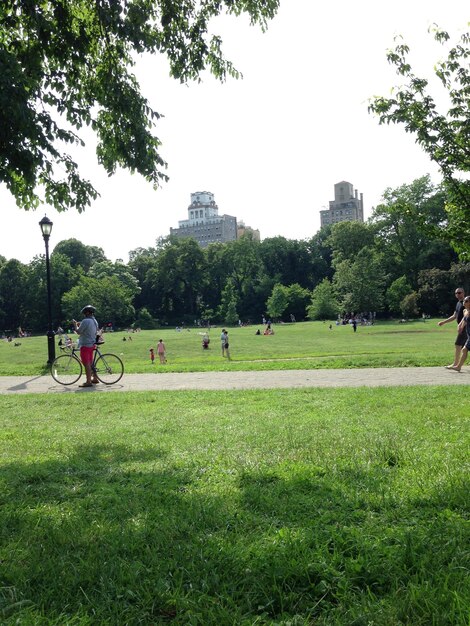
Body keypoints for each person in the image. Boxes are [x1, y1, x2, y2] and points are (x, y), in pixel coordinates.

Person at [438, 287, 466, 369]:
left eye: (459, 292)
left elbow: (466, 316)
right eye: (456, 293)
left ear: (463, 293)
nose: (458, 294)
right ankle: (457, 365)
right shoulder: (458, 303)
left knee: (458, 345)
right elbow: (454, 316)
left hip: (465, 328)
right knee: (465, 348)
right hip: (462, 328)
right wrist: (443, 322)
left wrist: (461, 325)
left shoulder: (466, 303)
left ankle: (456, 364)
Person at [73, 304, 99, 387]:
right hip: (92, 344)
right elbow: (87, 326)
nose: (84, 314)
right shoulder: (94, 320)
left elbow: (78, 332)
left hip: (85, 344)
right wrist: (80, 324)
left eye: (84, 313)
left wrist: (75, 324)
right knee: (90, 362)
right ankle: (95, 378)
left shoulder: (85, 321)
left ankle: (88, 381)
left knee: (86, 363)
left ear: (87, 312)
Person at [450, 296, 470, 371]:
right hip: (469, 336)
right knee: (464, 350)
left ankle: (458, 366)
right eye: (464, 301)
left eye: (466, 301)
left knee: (464, 350)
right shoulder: (465, 311)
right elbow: (464, 320)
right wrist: (460, 326)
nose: (464, 302)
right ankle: (458, 367)